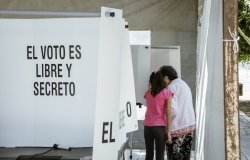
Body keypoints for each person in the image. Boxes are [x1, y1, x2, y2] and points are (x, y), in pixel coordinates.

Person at [159, 65, 196, 160]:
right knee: (185, 157)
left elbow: (172, 110)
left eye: (161, 79)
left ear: (166, 77)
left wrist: (166, 127)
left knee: (174, 157)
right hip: (189, 126)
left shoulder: (170, 88)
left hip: (177, 128)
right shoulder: (183, 84)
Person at [144, 71, 173, 160]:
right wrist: (168, 131)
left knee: (149, 154)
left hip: (147, 127)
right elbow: (168, 112)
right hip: (159, 127)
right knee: (160, 155)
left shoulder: (148, 93)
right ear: (162, 80)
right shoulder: (167, 93)